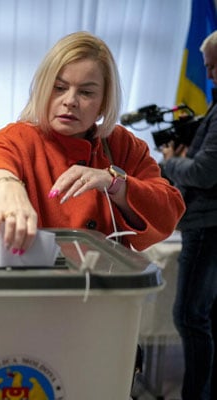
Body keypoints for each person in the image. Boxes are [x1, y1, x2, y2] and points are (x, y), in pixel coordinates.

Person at [0, 31, 185, 255]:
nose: (70, 101)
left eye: (86, 92)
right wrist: (7, 186)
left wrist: (114, 184)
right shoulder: (19, 138)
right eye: (59, 88)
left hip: (105, 284)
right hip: (38, 286)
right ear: (42, 89)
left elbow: (168, 212)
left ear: (103, 102)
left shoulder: (122, 144)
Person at [161, 30, 217, 400]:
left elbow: (203, 172)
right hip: (205, 223)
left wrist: (170, 163)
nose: (209, 76)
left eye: (213, 67)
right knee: (204, 317)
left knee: (189, 317)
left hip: (205, 225)